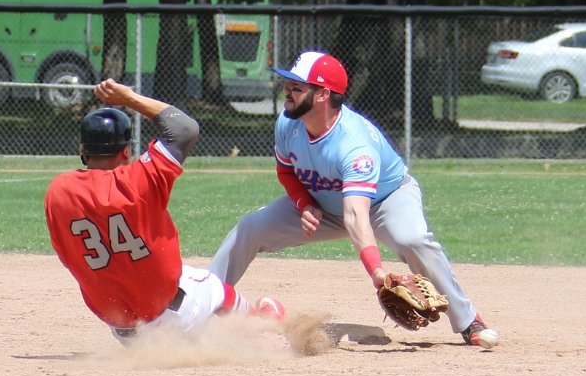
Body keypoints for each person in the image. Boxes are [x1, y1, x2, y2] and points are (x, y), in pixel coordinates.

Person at [209, 51, 497, 347]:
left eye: (297, 86)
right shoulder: (288, 123)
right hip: (324, 205)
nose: (287, 90)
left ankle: (468, 320)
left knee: (412, 240)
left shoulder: (354, 145)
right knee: (250, 228)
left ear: (323, 94)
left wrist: (376, 272)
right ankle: (203, 303)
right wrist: (304, 204)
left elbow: (357, 215)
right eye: (288, 83)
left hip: (384, 203)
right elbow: (286, 171)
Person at [44, 79, 286, 344]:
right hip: (177, 318)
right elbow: (185, 129)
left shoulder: (58, 192)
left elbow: (70, 257)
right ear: (126, 151)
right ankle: (260, 324)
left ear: (83, 152)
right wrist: (129, 98)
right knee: (210, 283)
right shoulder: (138, 179)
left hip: (127, 335)